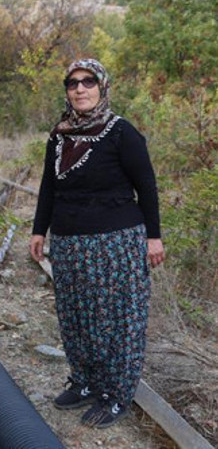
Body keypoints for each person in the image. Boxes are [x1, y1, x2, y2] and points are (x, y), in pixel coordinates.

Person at [29, 59, 165, 429]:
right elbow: (48, 187)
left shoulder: (122, 132)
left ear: (102, 87)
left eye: (88, 82)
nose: (80, 89)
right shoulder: (60, 135)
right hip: (69, 243)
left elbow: (147, 187)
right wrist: (39, 230)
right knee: (77, 318)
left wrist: (154, 237)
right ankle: (86, 382)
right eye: (72, 83)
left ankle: (116, 394)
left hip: (116, 243)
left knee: (117, 320)